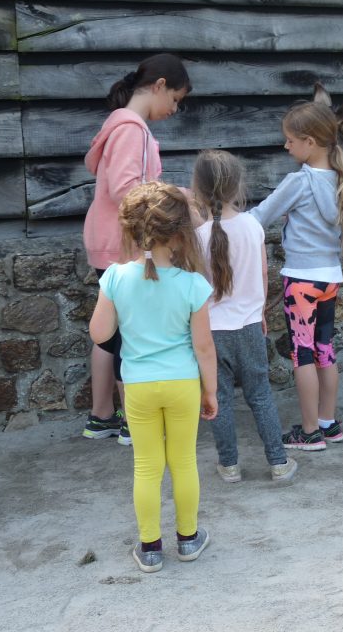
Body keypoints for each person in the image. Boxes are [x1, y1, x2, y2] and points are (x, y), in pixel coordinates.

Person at [88, 181, 218, 574]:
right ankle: (188, 539)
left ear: (130, 229)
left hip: (139, 387)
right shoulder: (193, 284)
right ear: (179, 234)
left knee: (146, 465)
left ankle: (149, 548)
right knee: (184, 461)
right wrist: (210, 392)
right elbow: (204, 348)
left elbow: (100, 333)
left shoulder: (115, 278)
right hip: (182, 385)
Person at [81, 53, 192, 445]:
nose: (174, 109)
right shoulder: (132, 129)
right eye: (175, 99)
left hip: (107, 240)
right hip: (124, 243)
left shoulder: (121, 125)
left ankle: (102, 416)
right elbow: (126, 189)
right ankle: (133, 422)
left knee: (109, 334)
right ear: (159, 85)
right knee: (132, 336)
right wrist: (178, 194)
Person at [249, 101, 343, 452]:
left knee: (302, 354)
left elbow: (258, 218)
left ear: (310, 142)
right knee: (325, 349)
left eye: (290, 140)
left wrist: (221, 223)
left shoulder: (298, 182)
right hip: (329, 278)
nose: (286, 146)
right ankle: (328, 423)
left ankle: (310, 431)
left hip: (300, 281)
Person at [190, 149, 298, 484]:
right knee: (260, 395)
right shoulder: (252, 225)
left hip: (211, 332)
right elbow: (264, 274)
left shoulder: (197, 236)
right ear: (238, 186)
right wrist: (260, 311)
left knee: (218, 399)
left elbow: (195, 286)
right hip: (250, 326)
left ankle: (229, 466)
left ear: (198, 189)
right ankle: (279, 463)